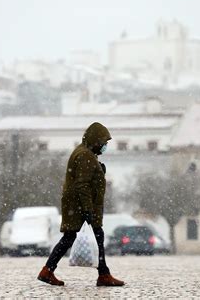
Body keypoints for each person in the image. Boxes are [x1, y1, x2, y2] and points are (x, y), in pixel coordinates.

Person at [37, 122, 125, 287]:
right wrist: (87, 209)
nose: (105, 146)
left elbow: (84, 178)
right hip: (81, 204)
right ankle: (102, 275)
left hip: (76, 204)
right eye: (104, 143)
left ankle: (49, 270)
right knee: (88, 236)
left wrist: (99, 170)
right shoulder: (86, 155)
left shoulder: (85, 152)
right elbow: (82, 184)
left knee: (73, 237)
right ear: (95, 141)